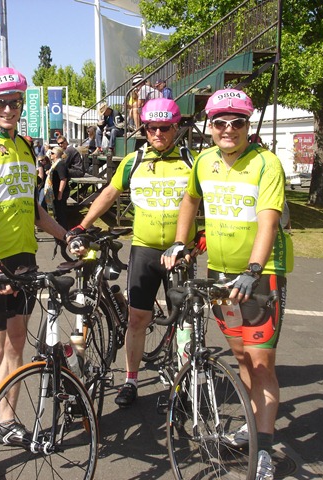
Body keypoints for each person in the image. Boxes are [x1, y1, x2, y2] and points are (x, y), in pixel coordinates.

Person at [161, 88, 293, 480]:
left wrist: (254, 268)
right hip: (220, 274)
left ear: (248, 125)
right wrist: (181, 242)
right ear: (210, 126)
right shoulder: (204, 161)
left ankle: (263, 449)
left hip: (260, 276)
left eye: (237, 122)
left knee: (261, 362)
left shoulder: (266, 163)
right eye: (220, 122)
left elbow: (268, 220)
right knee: (241, 358)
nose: (228, 129)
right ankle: (253, 427)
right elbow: (190, 201)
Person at [0, 66, 68, 480]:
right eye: (0, 103)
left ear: (22, 104)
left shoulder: (24, 147)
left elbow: (33, 208)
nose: (8, 109)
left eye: (15, 102)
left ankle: (7, 422)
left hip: (25, 259)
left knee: (17, 346)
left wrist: (66, 236)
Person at [68, 98, 198, 408]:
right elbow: (110, 192)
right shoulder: (134, 161)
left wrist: (203, 238)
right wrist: (83, 225)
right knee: (138, 318)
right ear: (145, 129)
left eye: (164, 128)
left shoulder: (192, 161)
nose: (158, 133)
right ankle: (131, 380)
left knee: (184, 321)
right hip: (144, 251)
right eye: (151, 128)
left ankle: (185, 385)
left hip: (179, 253)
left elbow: (209, 197)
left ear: (175, 128)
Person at [45, 146, 70, 228]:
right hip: (54, 191)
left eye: (52, 153)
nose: (50, 154)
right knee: (57, 213)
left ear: (56, 155)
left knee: (61, 213)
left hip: (60, 192)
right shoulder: (55, 164)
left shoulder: (60, 164)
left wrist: (60, 193)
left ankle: (63, 230)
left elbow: (63, 179)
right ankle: (61, 229)